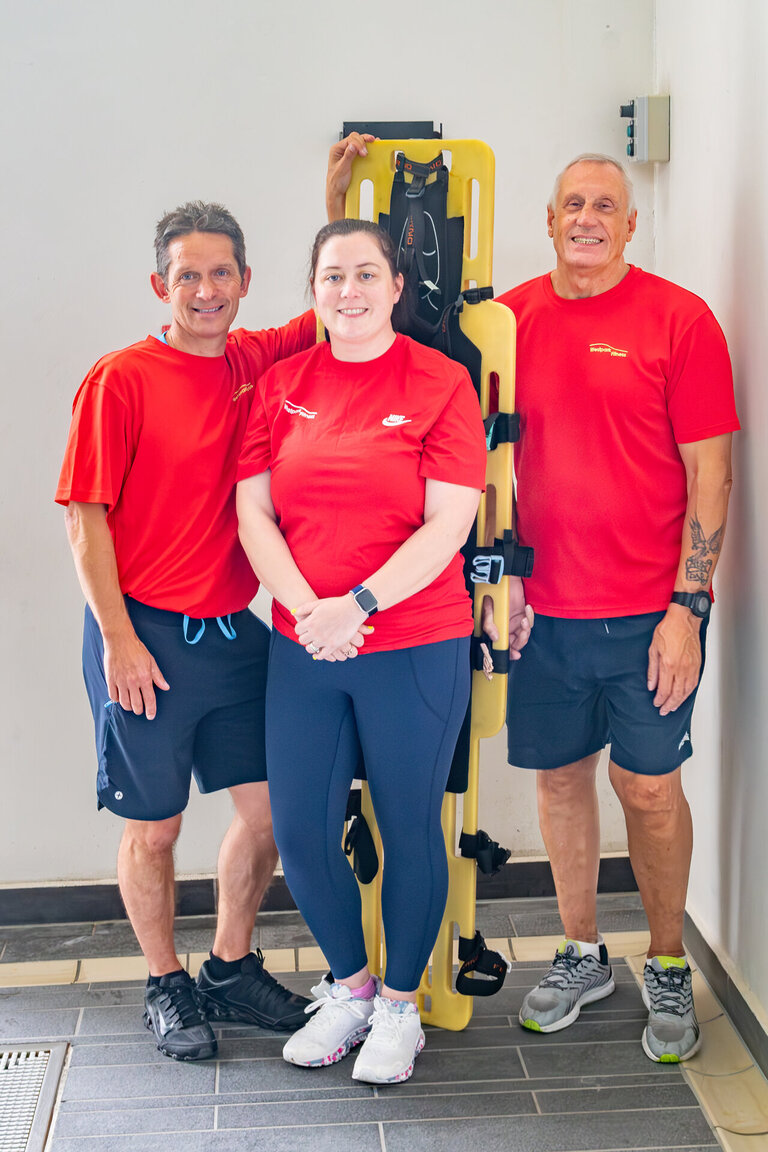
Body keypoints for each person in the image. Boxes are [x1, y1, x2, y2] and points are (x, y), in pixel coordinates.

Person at [56, 200, 324, 1061]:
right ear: (159, 285)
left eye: (220, 274)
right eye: (187, 276)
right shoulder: (120, 379)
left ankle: (230, 968)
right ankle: (167, 983)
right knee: (157, 829)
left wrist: (331, 200)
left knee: (272, 813)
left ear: (244, 281)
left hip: (233, 634)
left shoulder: (253, 359)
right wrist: (118, 641)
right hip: (144, 638)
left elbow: (337, 296)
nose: (205, 291)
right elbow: (85, 521)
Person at [491, 154, 738, 1063]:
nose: (588, 218)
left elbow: (712, 472)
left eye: (606, 206)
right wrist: (500, 577)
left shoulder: (680, 320)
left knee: (647, 789)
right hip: (542, 612)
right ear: (548, 218)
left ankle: (666, 962)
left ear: (632, 225)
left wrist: (688, 606)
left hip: (651, 611)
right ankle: (582, 950)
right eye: (573, 205)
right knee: (559, 781)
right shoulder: (506, 321)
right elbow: (476, 463)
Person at [235, 218, 487, 1084]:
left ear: (395, 287)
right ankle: (349, 988)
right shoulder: (281, 384)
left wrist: (363, 603)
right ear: (313, 289)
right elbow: (254, 512)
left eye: (365, 274)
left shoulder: (441, 381)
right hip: (306, 643)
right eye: (332, 276)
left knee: (410, 827)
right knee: (302, 831)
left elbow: (451, 518)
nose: (348, 290)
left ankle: (401, 1009)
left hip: (413, 640)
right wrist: (312, 611)